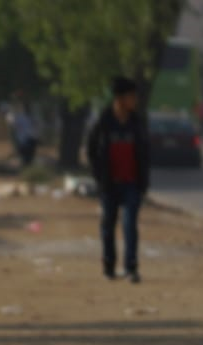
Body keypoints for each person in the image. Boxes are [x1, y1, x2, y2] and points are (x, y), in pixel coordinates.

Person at [87, 77, 150, 283]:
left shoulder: (136, 123)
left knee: (130, 224)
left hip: (132, 182)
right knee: (108, 225)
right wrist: (99, 176)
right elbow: (91, 150)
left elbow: (144, 153)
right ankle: (109, 267)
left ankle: (131, 268)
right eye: (132, 97)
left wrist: (144, 181)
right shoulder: (104, 122)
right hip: (109, 183)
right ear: (120, 99)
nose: (135, 101)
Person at [9, 99, 38, 168]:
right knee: (25, 157)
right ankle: (26, 168)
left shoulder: (29, 117)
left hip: (28, 139)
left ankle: (28, 168)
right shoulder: (19, 117)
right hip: (24, 139)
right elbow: (14, 126)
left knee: (28, 157)